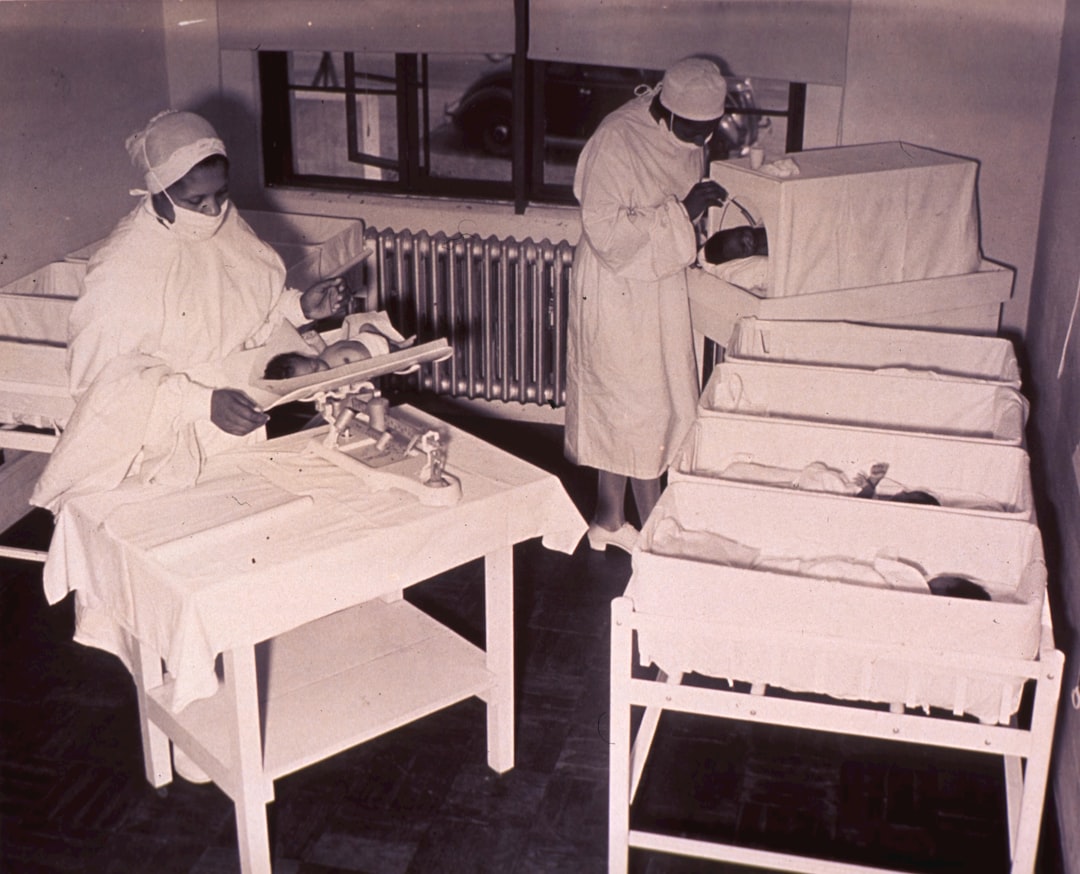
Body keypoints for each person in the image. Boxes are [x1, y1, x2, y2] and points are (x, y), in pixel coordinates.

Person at [31, 110, 349, 512]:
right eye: (195, 202)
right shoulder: (123, 266)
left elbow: (247, 314)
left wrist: (299, 307)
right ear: (157, 190)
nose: (214, 211)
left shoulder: (223, 224)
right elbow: (101, 389)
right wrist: (200, 404)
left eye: (221, 194)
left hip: (240, 418)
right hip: (160, 447)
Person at [564, 57, 730, 554]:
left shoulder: (689, 133)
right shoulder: (617, 138)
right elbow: (605, 229)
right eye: (693, 131)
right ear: (667, 109)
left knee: (646, 402)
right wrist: (685, 212)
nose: (701, 142)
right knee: (634, 404)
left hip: (658, 281)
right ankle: (654, 530)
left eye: (708, 131)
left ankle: (609, 520)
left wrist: (691, 220)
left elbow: (672, 201)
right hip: (616, 285)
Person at [263, 339, 373, 379]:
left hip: (367, 339)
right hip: (375, 355)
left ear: (311, 356)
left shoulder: (324, 354)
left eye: (315, 367)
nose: (322, 372)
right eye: (316, 377)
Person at [702, 224, 768, 264]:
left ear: (738, 227)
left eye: (742, 233)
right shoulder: (765, 254)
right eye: (743, 246)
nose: (748, 239)